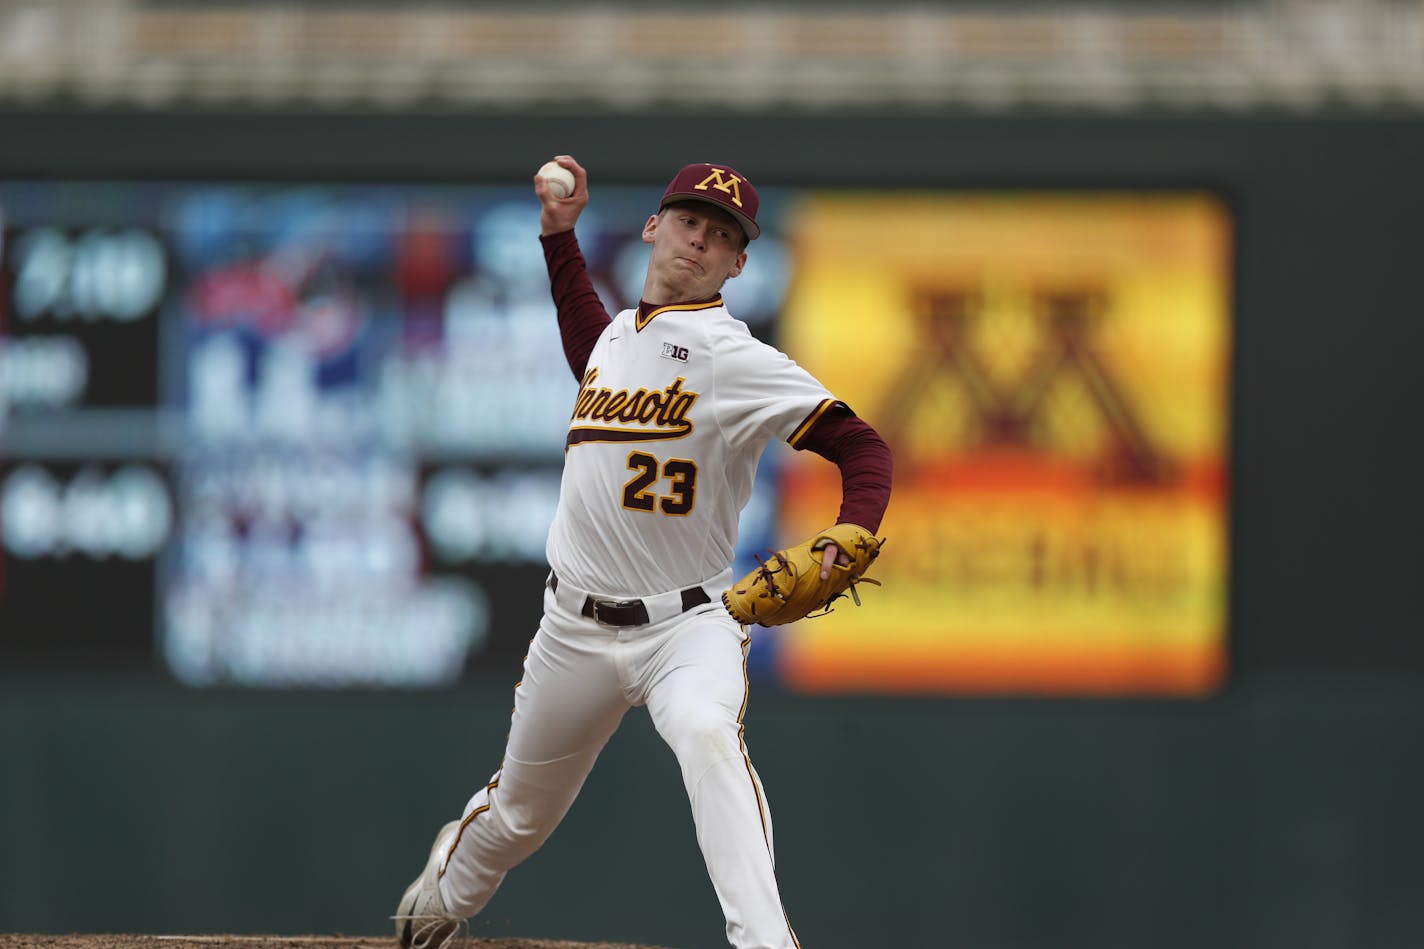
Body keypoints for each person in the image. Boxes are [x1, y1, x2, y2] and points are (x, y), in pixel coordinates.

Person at [395, 156, 893, 949]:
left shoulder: (735, 356)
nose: (701, 240)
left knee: (705, 730)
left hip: (686, 626)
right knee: (519, 816)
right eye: (690, 221)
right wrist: (559, 237)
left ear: (738, 263)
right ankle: (436, 906)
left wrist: (851, 533)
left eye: (722, 235)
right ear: (654, 227)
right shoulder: (617, 341)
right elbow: (587, 339)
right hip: (574, 630)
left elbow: (862, 447)